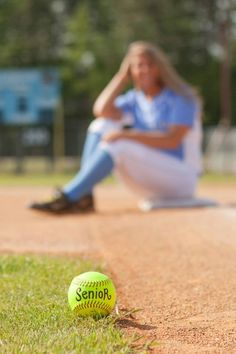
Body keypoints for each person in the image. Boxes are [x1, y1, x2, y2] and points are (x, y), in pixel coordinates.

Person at [30, 41, 202, 214]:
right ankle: (84, 197)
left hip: (181, 179)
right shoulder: (135, 99)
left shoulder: (181, 96)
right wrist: (121, 77)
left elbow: (173, 140)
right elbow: (100, 110)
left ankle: (69, 195)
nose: (145, 70)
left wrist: (125, 135)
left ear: (160, 68)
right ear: (131, 70)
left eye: (150, 64)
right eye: (138, 66)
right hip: (150, 178)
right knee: (101, 125)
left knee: (119, 144)